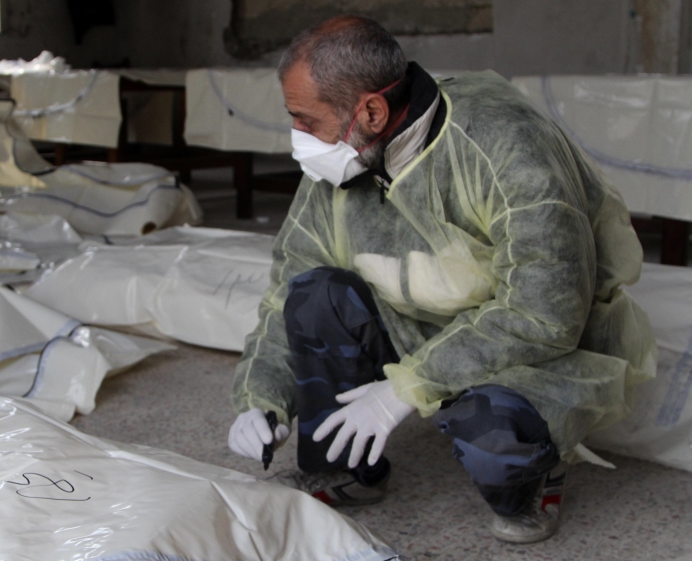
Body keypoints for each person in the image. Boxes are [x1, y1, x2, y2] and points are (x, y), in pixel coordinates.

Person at [228, 15, 657, 544]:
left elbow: (546, 312)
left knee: (493, 436)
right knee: (317, 296)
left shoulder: (505, 144)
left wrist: (405, 388)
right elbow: (285, 288)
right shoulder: (344, 158)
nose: (299, 138)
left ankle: (532, 480)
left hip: (523, 347)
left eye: (305, 120)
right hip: (412, 321)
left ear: (372, 110)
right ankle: (343, 471)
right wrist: (260, 394)